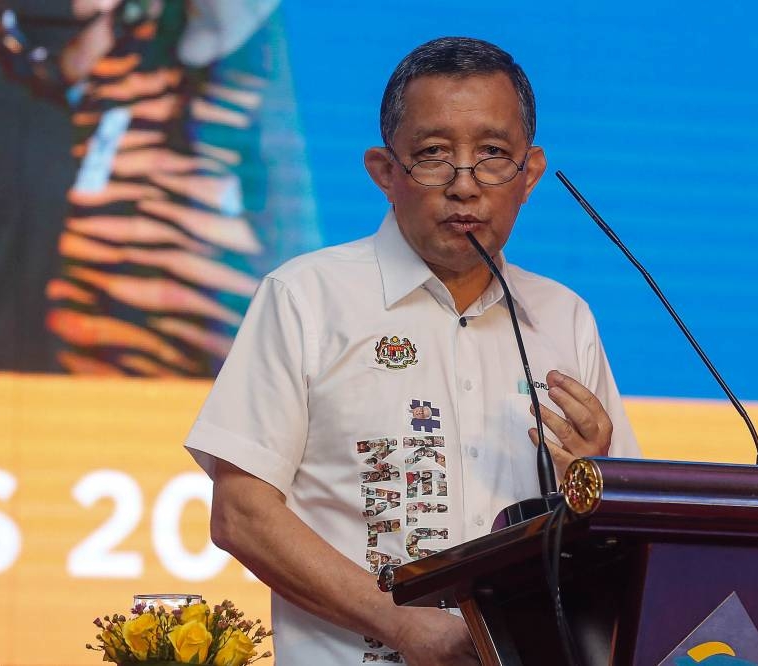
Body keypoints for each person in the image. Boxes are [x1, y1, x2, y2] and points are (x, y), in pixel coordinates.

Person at [186, 36, 640, 665]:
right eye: (432, 155)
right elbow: (241, 514)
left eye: (492, 154)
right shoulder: (307, 298)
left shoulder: (564, 319)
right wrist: (401, 624)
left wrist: (594, 487)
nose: (464, 184)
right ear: (384, 173)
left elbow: (627, 541)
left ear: (529, 174)